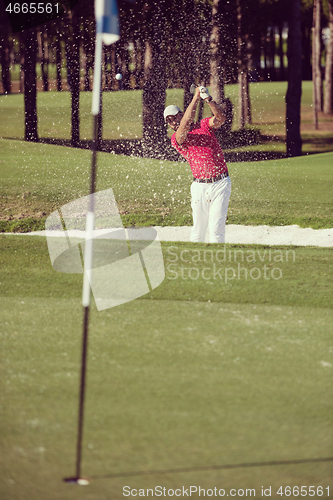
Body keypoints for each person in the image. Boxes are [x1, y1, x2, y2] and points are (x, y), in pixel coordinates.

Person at [164, 86, 231, 243]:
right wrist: (196, 98)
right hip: (199, 187)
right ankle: (195, 263)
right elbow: (185, 124)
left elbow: (221, 119)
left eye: (174, 117)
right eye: (168, 120)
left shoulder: (204, 125)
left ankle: (217, 264)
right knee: (198, 232)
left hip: (221, 183)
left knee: (216, 230)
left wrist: (208, 100)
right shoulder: (176, 138)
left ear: (181, 113)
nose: (172, 122)